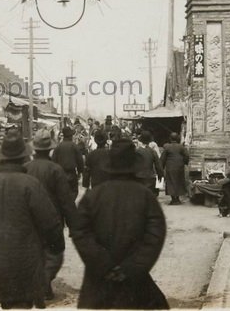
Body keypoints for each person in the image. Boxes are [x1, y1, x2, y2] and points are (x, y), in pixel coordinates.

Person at [0, 131, 65, 309]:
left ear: (1, 159)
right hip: (26, 262)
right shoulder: (31, 185)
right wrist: (56, 247)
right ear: (24, 158)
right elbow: (50, 223)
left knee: (7, 302)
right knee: (22, 302)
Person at [71, 138, 169, 309]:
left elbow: (80, 233)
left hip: (97, 282)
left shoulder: (92, 196)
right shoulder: (146, 196)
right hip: (135, 282)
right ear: (134, 165)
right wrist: (131, 268)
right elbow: (155, 235)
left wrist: (104, 265)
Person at [24, 129, 78, 301]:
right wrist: (74, 224)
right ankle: (44, 285)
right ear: (50, 149)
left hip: (30, 217)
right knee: (52, 253)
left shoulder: (24, 168)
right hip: (52, 219)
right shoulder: (56, 170)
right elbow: (66, 201)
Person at [52, 126, 84, 200]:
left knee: (62, 193)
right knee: (73, 192)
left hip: (60, 174)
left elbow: (53, 161)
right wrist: (80, 172)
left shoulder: (58, 147)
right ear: (71, 136)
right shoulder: (74, 146)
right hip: (71, 173)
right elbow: (80, 160)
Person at [160, 132, 189, 205]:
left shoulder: (167, 147)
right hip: (179, 166)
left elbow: (162, 159)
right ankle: (178, 199)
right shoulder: (181, 147)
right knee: (179, 181)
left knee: (170, 182)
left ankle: (173, 199)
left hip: (170, 167)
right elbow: (187, 155)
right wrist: (185, 162)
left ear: (170, 138)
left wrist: (161, 167)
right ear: (178, 138)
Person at [135, 131, 163, 196]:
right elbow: (158, 167)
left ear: (141, 140)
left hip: (139, 177)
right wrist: (160, 177)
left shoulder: (136, 151)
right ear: (149, 141)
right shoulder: (153, 152)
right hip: (150, 177)